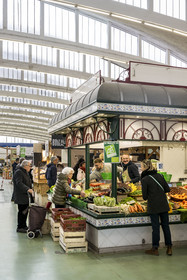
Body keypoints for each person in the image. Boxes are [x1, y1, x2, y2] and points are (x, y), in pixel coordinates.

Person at [141, 159, 172, 256]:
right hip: (163, 205)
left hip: (153, 206)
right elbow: (167, 189)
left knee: (156, 227)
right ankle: (169, 247)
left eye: (141, 166)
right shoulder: (160, 176)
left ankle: (155, 248)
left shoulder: (145, 179)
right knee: (166, 226)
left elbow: (144, 197)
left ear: (144, 167)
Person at [13, 160, 33, 233]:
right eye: (29, 166)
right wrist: (28, 189)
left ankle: (24, 225)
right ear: (25, 166)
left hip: (25, 195)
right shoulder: (19, 172)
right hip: (21, 195)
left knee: (25, 211)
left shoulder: (25, 172)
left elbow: (27, 181)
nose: (30, 167)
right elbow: (19, 183)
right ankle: (20, 227)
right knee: (22, 211)